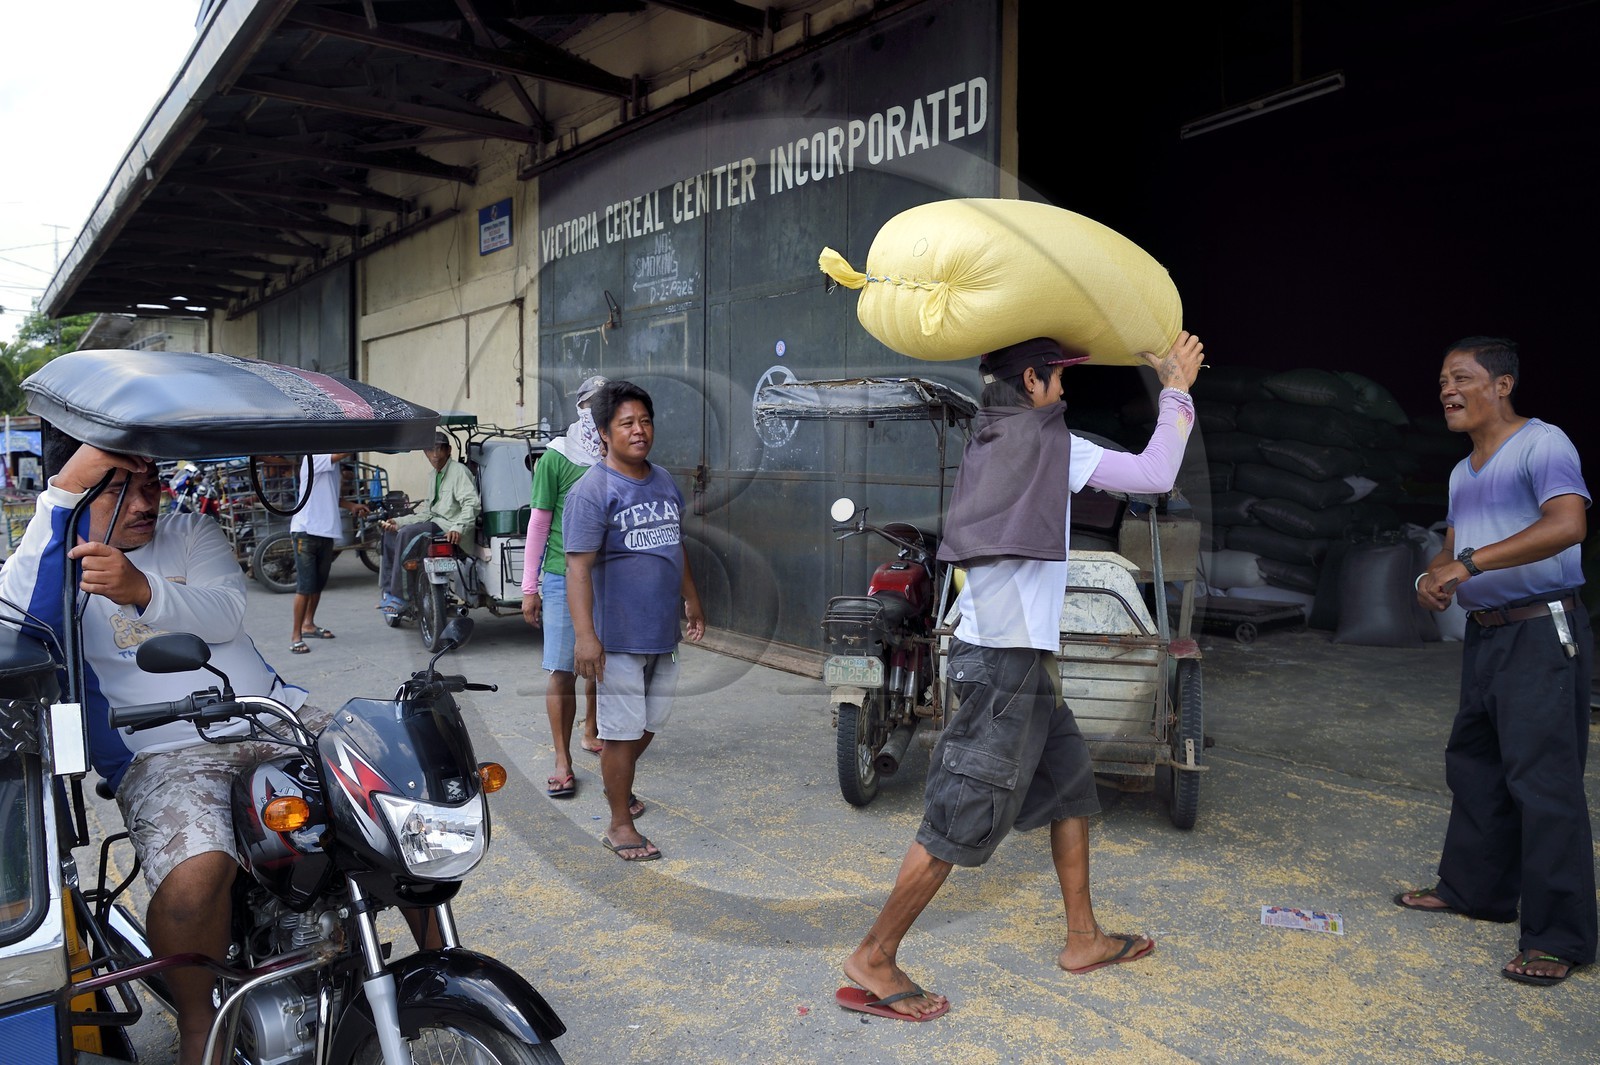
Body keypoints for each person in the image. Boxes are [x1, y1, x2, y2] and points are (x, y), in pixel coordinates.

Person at [838, 331, 1205, 1021]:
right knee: (961, 809)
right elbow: (1157, 474)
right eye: (1059, 380)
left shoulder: (994, 436)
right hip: (1003, 661)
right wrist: (1176, 387)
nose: (1065, 393)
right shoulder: (1052, 445)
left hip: (1018, 656)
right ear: (1033, 382)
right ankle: (875, 954)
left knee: (1069, 785)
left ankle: (1083, 937)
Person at [0, 429, 319, 1065]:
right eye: (121, 486)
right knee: (199, 874)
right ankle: (202, 1024)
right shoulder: (52, 561)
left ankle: (427, 967)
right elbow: (15, 621)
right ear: (81, 486)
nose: (147, 500)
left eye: (151, 482)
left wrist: (142, 589)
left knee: (394, 788)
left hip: (271, 716)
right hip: (163, 751)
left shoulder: (189, 534)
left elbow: (228, 614)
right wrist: (59, 502)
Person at [1397, 336, 1593, 988]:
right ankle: (1474, 890)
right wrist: (1435, 577)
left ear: (1502, 384)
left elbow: (1568, 525)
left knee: (1544, 781)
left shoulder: (1544, 444)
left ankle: (1558, 937)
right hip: (1486, 633)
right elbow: (1451, 548)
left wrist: (1470, 565)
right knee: (1477, 762)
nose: (1447, 390)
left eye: (1462, 377)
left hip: (1542, 628)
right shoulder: (1462, 472)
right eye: (1442, 380)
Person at [565, 380, 705, 861]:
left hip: (661, 632)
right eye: (627, 423)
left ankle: (617, 782)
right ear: (604, 432)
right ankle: (619, 823)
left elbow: (674, 542)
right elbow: (577, 568)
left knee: (648, 724)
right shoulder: (591, 492)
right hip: (619, 636)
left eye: (645, 421)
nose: (639, 431)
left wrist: (692, 599)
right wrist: (586, 638)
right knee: (622, 732)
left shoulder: (663, 479)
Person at [523, 376, 607, 799]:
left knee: (602, 660)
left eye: (605, 405)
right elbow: (538, 524)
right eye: (592, 405)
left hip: (609, 577)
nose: (598, 414)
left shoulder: (619, 454)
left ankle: (593, 726)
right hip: (560, 574)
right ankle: (563, 759)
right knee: (562, 669)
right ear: (579, 409)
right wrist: (529, 587)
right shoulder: (555, 458)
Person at [377, 430, 480, 613]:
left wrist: (458, 527)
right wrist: (399, 522)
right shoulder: (433, 475)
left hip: (449, 528)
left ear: (448, 450)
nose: (434, 455)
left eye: (439, 449)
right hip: (434, 523)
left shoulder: (459, 472)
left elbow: (471, 504)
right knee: (392, 533)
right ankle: (388, 591)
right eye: (430, 450)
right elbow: (427, 512)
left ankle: (402, 598)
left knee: (405, 536)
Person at [288, 453, 368, 653]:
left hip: (325, 531)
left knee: (318, 584)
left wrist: (352, 506)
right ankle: (296, 636)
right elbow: (344, 451)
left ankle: (308, 624)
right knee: (305, 587)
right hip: (306, 530)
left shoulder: (334, 465)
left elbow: (332, 496)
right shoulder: (313, 457)